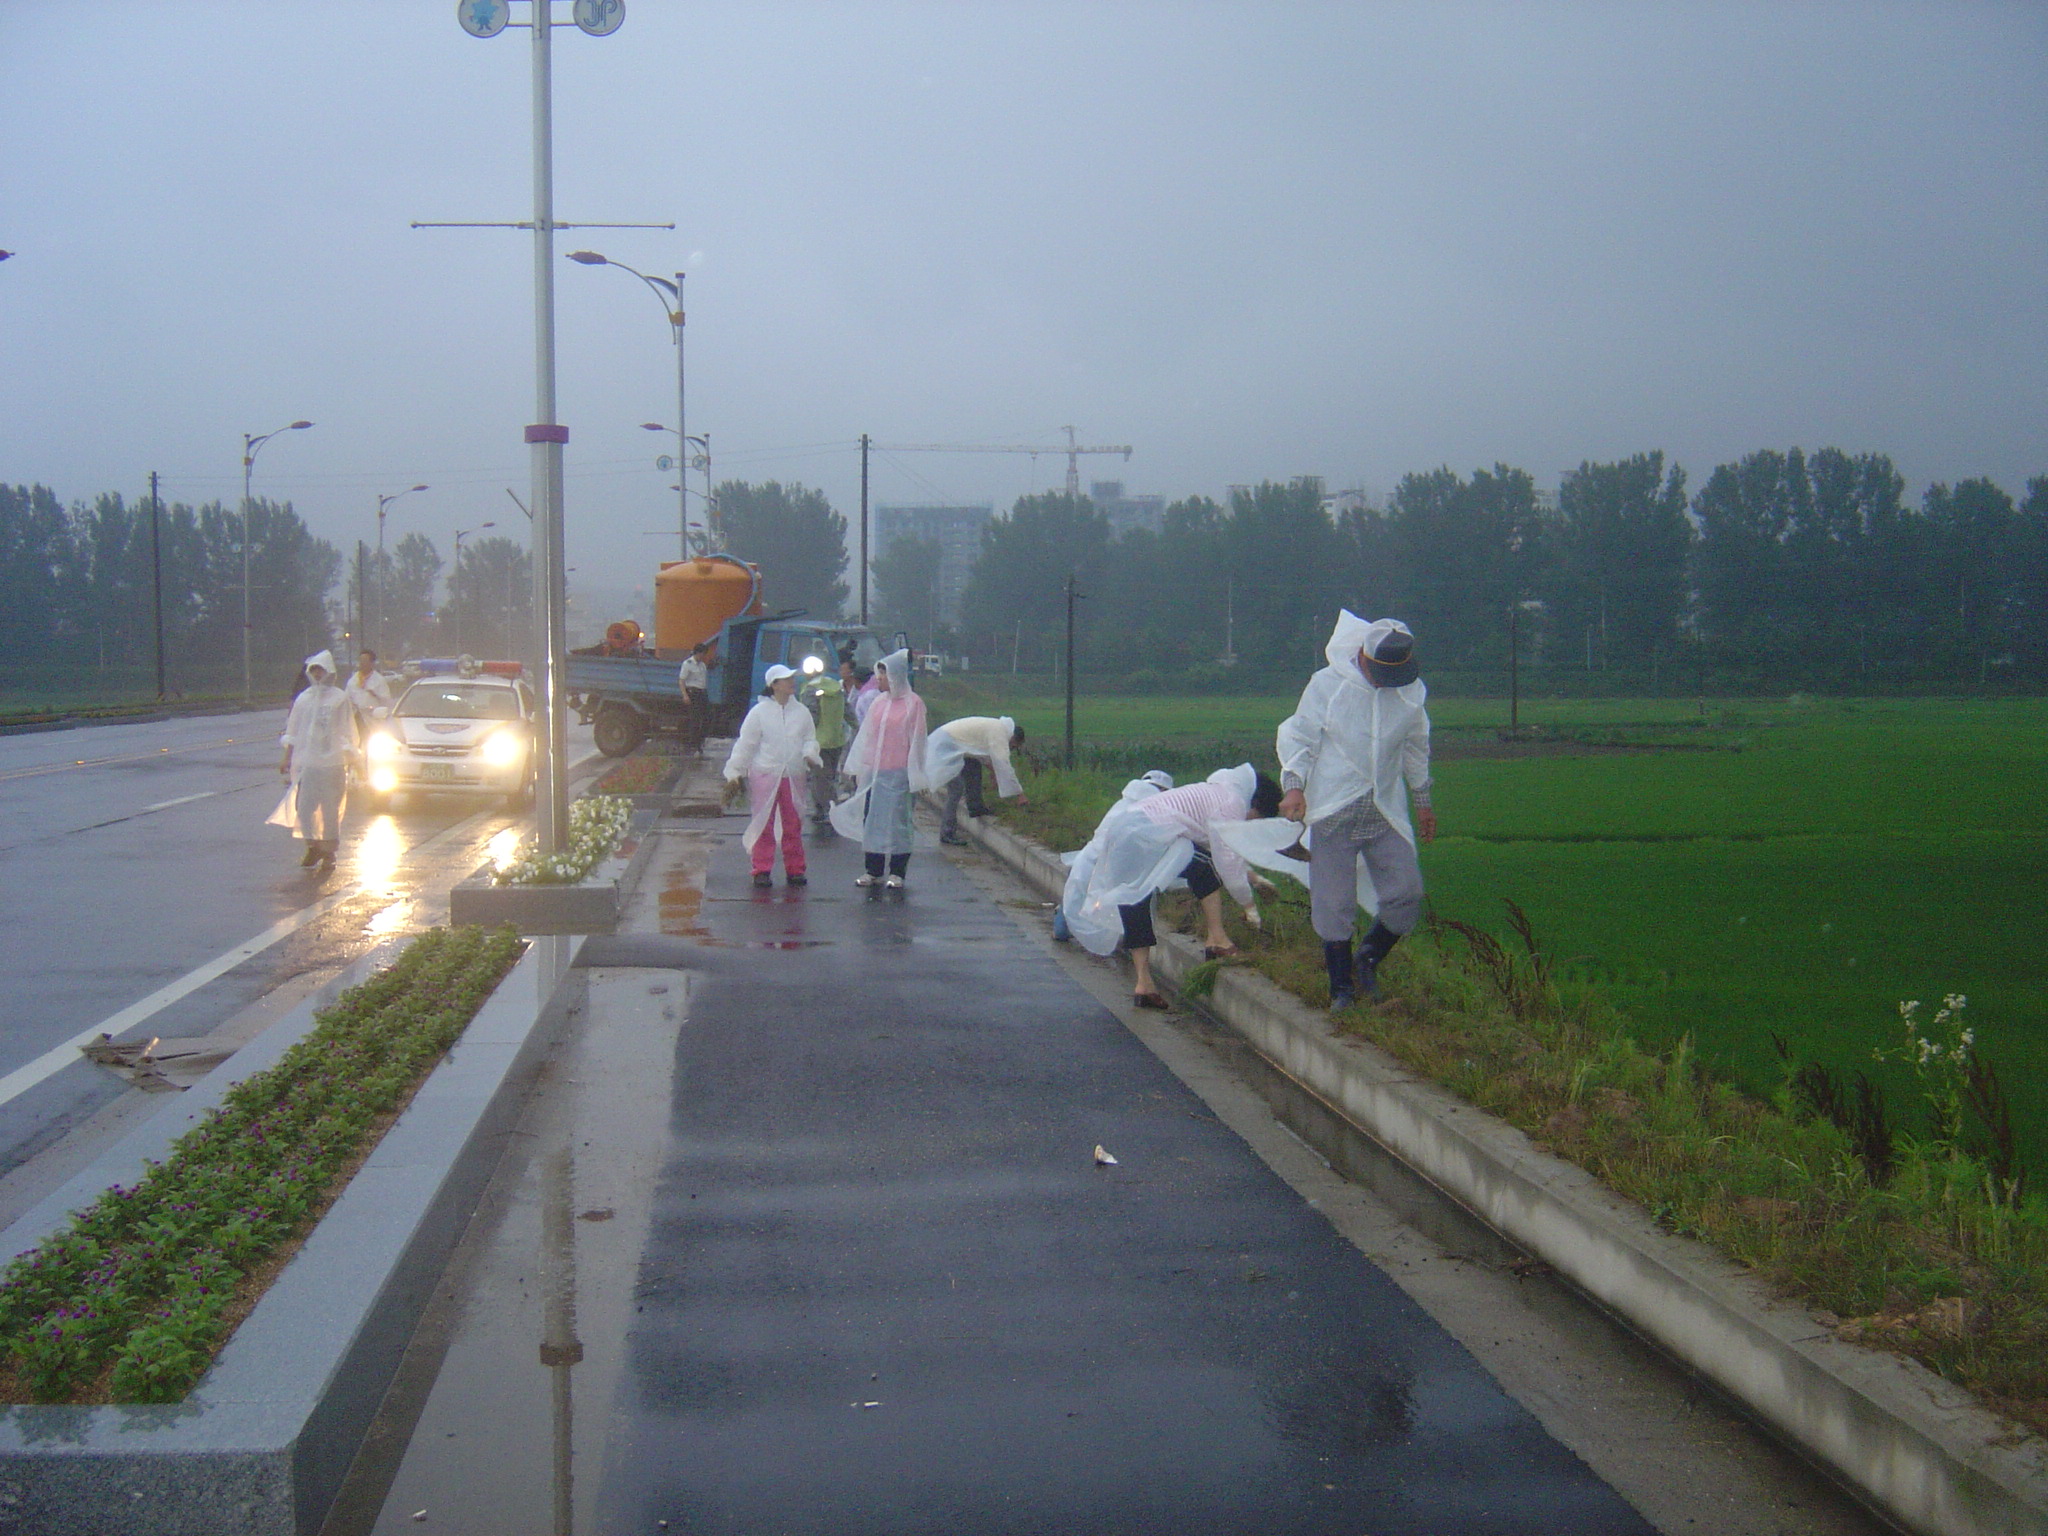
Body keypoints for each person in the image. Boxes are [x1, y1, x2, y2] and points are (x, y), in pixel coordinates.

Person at [1276, 611, 1436, 1009]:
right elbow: (1300, 737)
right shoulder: (1328, 685)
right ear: (1364, 657)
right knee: (1334, 903)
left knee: (1406, 893)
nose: (1386, 681)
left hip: (1383, 809)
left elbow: (1415, 746)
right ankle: (1341, 989)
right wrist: (1294, 788)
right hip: (1334, 809)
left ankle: (1368, 957)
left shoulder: (1409, 692)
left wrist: (1423, 800)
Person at [1062, 765, 1282, 1008]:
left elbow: (1216, 847)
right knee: (1205, 870)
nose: (1252, 821)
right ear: (1256, 805)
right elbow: (1226, 860)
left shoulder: (1214, 791)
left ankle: (1144, 984)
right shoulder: (1232, 804)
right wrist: (1249, 906)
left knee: (1135, 899)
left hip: (1125, 833)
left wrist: (1253, 878)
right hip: (1148, 834)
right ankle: (1217, 939)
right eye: (1258, 818)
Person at [828, 648, 927, 889]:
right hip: (876, 773)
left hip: (900, 773)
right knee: (871, 819)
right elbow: (867, 736)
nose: (878, 679)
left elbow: (918, 741)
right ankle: (873, 869)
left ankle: (897, 871)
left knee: (898, 822)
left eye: (883, 675)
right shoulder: (878, 703)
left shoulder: (913, 704)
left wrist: (917, 775)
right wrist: (859, 767)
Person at [723, 663, 823, 888]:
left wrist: (809, 753)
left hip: (793, 775)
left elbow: (810, 738)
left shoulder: (801, 712)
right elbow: (746, 745)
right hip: (766, 774)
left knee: (793, 822)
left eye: (791, 679)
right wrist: (735, 771)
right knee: (763, 822)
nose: (791, 683)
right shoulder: (759, 713)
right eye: (786, 679)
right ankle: (762, 868)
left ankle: (795, 868)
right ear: (774, 685)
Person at [1053, 769, 1172, 942]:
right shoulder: (1152, 811)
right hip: (1112, 868)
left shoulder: (1122, 803)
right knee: (1112, 909)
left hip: (1088, 861)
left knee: (1076, 901)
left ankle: (1064, 920)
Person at [276, 649, 360, 875]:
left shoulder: (339, 698)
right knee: (304, 808)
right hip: (308, 763)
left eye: (321, 670)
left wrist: (351, 755)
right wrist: (288, 757)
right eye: (314, 671)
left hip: (332, 764)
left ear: (329, 672)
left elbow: (347, 731)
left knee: (330, 809)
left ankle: (329, 852)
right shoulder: (304, 699)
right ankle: (312, 845)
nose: (318, 675)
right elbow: (292, 730)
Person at [926, 715, 1028, 844]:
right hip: (944, 747)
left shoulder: (997, 728)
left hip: (949, 743)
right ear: (1013, 739)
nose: (1012, 748)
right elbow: (1004, 764)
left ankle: (976, 807)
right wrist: (1020, 795)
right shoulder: (1000, 733)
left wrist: (993, 773)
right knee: (956, 789)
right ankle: (947, 833)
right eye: (1013, 746)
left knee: (973, 765)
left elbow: (978, 753)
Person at [800, 656, 852, 829]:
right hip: (837, 739)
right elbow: (848, 710)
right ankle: (831, 807)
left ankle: (824, 811)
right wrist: (858, 727)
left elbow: (810, 717)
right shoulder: (836, 686)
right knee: (829, 776)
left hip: (818, 742)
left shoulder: (809, 690)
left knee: (818, 778)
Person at [677, 642, 712, 753]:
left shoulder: (702, 665)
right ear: (697, 653)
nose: (703, 656)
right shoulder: (688, 664)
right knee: (695, 720)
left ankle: (701, 740)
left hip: (702, 693)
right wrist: (685, 695)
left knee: (707, 718)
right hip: (693, 693)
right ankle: (694, 744)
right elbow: (682, 680)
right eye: (702, 654)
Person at [344, 649, 392, 724]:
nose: (362, 663)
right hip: (357, 721)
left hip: (374, 721)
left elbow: (387, 702)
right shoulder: (353, 681)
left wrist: (375, 695)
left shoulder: (379, 680)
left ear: (372, 663)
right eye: (361, 660)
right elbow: (346, 700)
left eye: (365, 661)